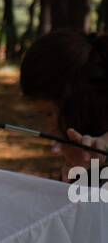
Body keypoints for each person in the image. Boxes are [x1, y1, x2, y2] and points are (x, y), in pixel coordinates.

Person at [19, 30, 108, 181]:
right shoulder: (86, 156)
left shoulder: (99, 147)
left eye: (49, 114)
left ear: (78, 104)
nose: (50, 128)